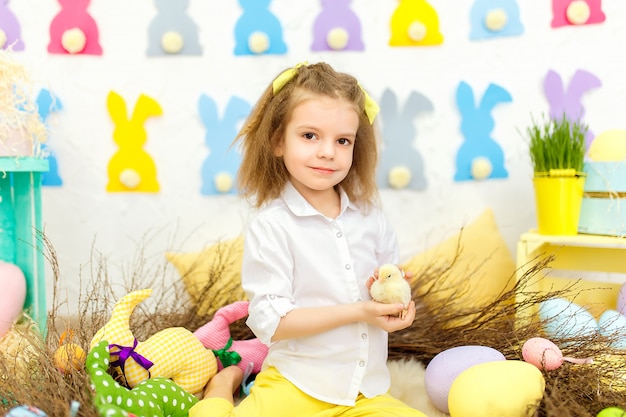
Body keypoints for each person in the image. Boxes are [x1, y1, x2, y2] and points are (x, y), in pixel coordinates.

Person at [189, 62, 424, 417]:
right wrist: (358, 311)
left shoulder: (370, 219)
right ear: (277, 141)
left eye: (342, 140)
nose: (328, 151)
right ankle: (223, 383)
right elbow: (273, 322)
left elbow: (393, 281)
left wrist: (401, 306)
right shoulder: (272, 227)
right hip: (296, 385)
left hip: (365, 391)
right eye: (310, 136)